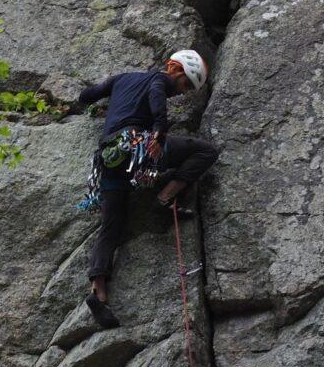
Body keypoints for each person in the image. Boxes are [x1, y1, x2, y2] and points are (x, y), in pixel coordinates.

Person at [78, 49, 219, 329]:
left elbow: (89, 94)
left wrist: (91, 106)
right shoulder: (159, 81)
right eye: (185, 84)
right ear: (174, 69)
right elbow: (157, 94)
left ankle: (99, 291)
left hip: (109, 158)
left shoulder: (122, 78)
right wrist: (159, 132)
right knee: (206, 152)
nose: (182, 92)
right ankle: (166, 196)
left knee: (112, 225)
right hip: (138, 147)